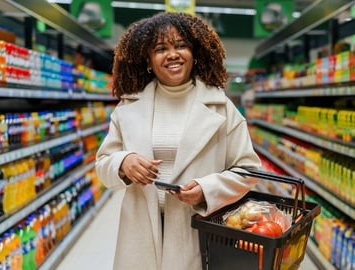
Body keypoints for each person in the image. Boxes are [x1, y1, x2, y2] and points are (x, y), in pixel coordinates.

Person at [95, 12, 261, 270]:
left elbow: (248, 170)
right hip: (140, 227)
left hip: (194, 225)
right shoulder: (128, 106)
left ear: (195, 55)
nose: (172, 54)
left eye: (181, 46)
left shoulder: (221, 108)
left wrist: (206, 189)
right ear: (148, 60)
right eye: (161, 49)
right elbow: (103, 163)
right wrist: (123, 162)